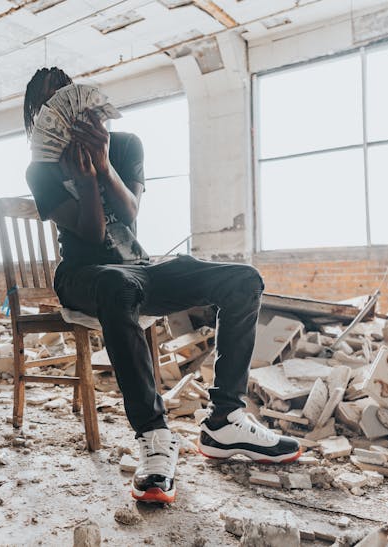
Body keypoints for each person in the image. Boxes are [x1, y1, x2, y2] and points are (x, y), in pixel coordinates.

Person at [23, 67, 301, 504]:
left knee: (243, 280)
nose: (57, 110)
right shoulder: (40, 171)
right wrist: (84, 179)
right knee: (115, 284)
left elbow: (129, 214)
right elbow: (93, 238)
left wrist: (104, 164)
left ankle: (225, 421)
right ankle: (154, 438)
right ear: (37, 118)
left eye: (64, 98)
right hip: (81, 275)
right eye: (45, 105)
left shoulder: (127, 145)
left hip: (139, 267)